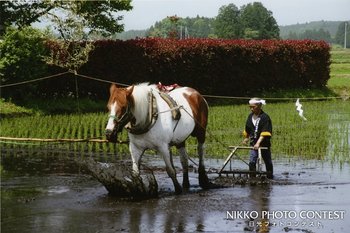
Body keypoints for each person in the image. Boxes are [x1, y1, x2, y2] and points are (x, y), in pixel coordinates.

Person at [242, 98, 273, 179]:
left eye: (253, 107)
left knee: (267, 161)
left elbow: (265, 132)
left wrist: (258, 143)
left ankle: (269, 177)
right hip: (253, 144)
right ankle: (252, 178)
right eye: (250, 107)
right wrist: (246, 138)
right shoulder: (250, 117)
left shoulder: (265, 117)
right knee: (252, 161)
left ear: (259, 106)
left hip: (264, 144)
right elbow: (248, 129)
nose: (251, 109)